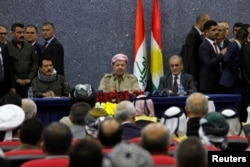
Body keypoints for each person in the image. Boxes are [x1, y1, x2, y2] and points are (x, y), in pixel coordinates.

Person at [7, 23, 38, 98]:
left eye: (23, 32)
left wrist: (29, 78)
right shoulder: (7, 47)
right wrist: (16, 79)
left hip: (28, 84)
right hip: (12, 84)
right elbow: (6, 66)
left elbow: (35, 64)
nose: (22, 35)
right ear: (12, 33)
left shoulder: (29, 47)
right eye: (19, 32)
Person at [180, 13, 210, 88]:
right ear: (201, 22)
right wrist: (194, 77)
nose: (209, 25)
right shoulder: (193, 35)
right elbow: (191, 57)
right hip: (195, 76)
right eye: (208, 22)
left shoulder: (198, 34)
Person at [198, 20, 227, 94]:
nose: (217, 32)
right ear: (206, 32)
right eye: (213, 30)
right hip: (208, 86)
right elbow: (209, 63)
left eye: (217, 30)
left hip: (217, 84)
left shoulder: (216, 44)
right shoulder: (203, 46)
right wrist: (221, 54)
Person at [220, 27, 248, 93]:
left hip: (231, 80)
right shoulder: (234, 45)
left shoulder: (235, 45)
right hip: (228, 80)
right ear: (245, 38)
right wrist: (236, 69)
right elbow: (226, 59)